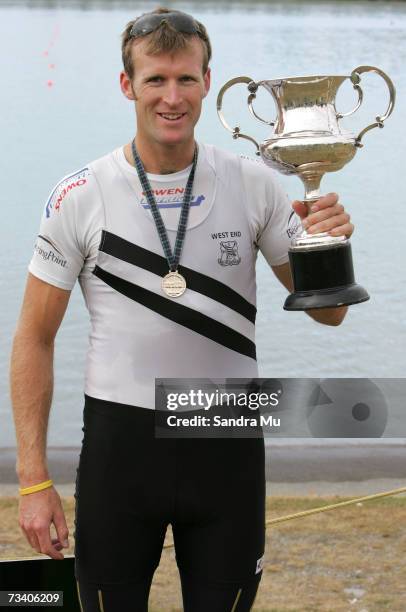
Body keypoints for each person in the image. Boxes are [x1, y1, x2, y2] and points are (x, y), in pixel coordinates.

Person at [10, 7, 354, 611]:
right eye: (156, 80)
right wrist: (34, 480)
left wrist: (331, 243)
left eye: (187, 80)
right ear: (128, 85)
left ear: (207, 81)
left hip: (228, 440)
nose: (173, 97)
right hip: (122, 446)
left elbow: (329, 315)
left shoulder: (256, 184)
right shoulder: (79, 195)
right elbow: (34, 338)